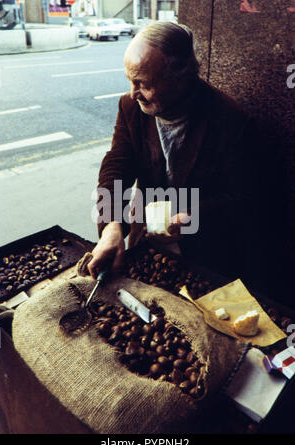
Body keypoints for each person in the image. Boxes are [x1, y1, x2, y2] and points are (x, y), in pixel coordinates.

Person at [87, 21, 277, 295]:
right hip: (147, 243)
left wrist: (193, 216)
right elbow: (116, 166)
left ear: (180, 77)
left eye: (143, 83)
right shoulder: (130, 106)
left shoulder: (229, 120)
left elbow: (245, 198)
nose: (133, 92)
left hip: (206, 256)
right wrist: (112, 226)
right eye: (130, 80)